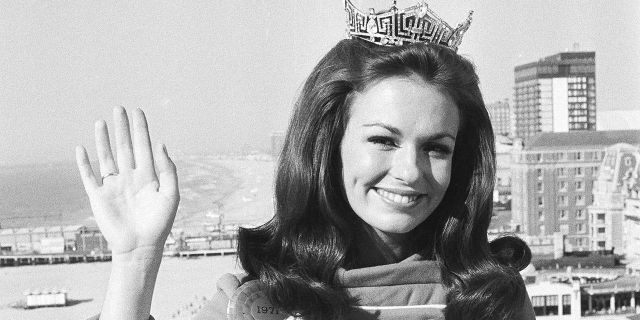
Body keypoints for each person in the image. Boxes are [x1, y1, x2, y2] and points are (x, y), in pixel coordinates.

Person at [77, 6, 535, 320]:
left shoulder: (491, 301)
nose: (411, 171)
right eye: (382, 140)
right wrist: (136, 258)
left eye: (436, 148)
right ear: (328, 140)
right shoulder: (259, 304)